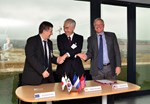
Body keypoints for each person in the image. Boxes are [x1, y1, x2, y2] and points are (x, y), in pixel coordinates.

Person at [21, 21, 63, 104]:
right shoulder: (32, 40)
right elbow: (30, 57)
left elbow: (49, 57)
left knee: (42, 102)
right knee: (26, 102)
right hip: (31, 79)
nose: (52, 33)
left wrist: (57, 60)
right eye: (50, 31)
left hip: (45, 80)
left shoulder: (49, 43)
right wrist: (42, 71)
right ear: (44, 31)